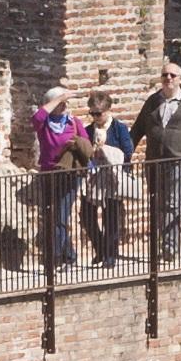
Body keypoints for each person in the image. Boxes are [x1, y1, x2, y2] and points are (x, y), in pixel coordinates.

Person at [130, 62, 181, 262]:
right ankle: (158, 244)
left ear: (180, 79)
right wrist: (125, 155)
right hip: (154, 161)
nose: (168, 78)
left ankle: (170, 247)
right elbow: (137, 130)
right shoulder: (153, 102)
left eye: (173, 75)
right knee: (156, 203)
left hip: (178, 161)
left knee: (173, 203)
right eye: (165, 74)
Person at [32, 88, 90, 268]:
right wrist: (58, 98)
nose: (64, 105)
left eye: (65, 102)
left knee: (61, 217)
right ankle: (70, 256)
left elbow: (86, 146)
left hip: (70, 175)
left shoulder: (74, 123)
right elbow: (37, 117)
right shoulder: (45, 125)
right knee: (52, 217)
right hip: (49, 175)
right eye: (60, 103)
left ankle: (54, 258)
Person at [80, 90, 133, 266]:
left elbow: (127, 152)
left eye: (98, 113)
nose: (95, 117)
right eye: (92, 113)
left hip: (112, 178)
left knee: (111, 217)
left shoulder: (119, 128)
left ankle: (110, 254)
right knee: (87, 216)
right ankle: (101, 248)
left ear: (108, 110)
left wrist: (106, 151)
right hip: (93, 179)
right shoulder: (87, 131)